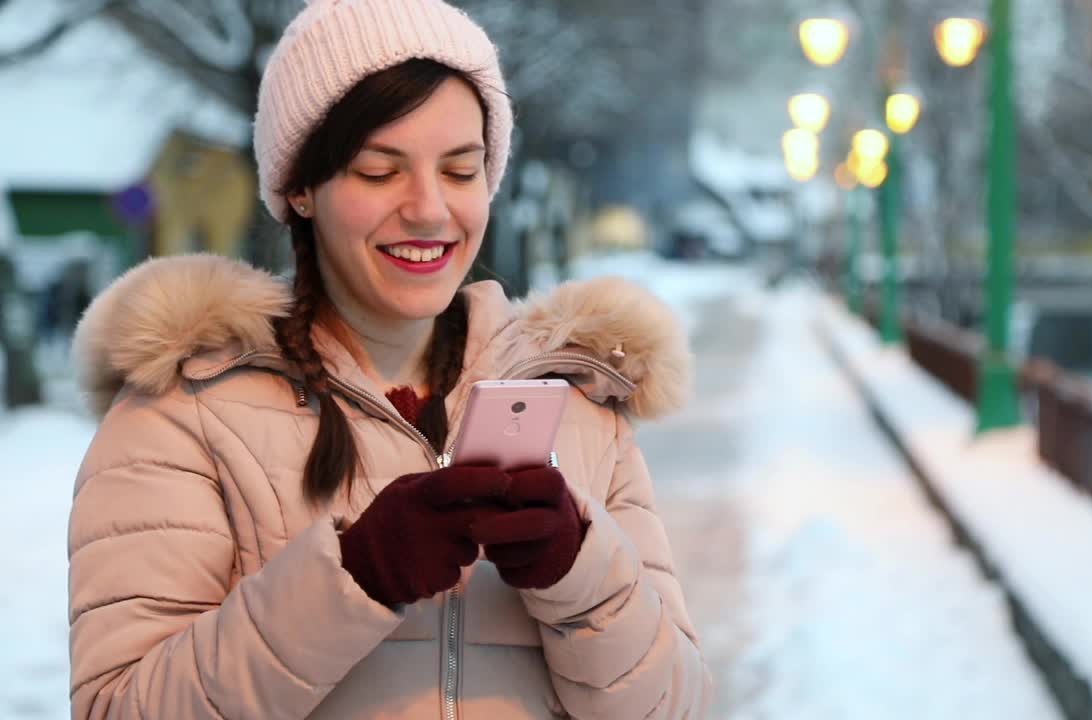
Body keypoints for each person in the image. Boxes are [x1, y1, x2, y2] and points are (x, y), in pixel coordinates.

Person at [66, 1, 711, 717]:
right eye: (380, 171)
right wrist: (352, 579)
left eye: (462, 171)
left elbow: (674, 704)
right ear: (300, 190)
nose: (430, 209)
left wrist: (581, 573)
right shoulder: (182, 414)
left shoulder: (581, 406)